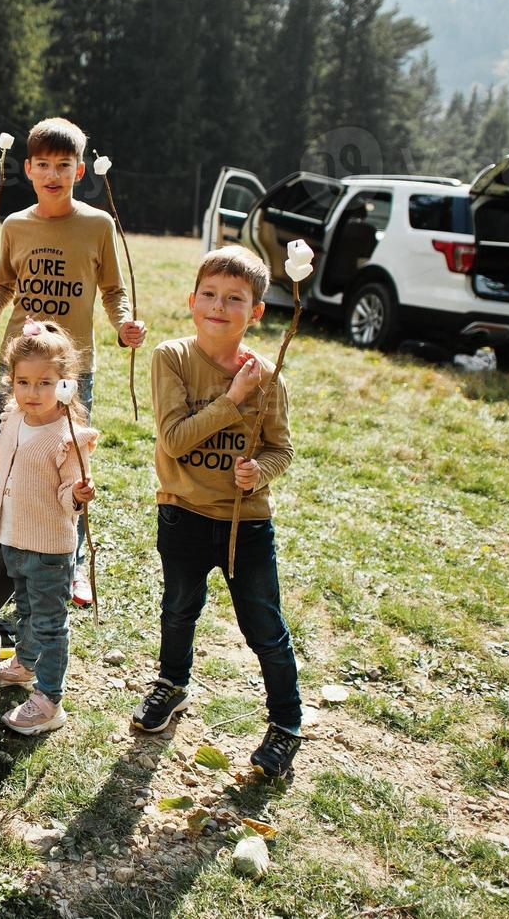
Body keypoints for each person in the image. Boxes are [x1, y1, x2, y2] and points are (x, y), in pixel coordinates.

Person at [133, 245, 304, 781]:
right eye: (208, 294)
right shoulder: (172, 358)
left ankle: (286, 724)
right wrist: (232, 398)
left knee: (265, 627)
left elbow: (282, 448)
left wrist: (262, 472)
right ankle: (172, 684)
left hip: (245, 523)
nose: (218, 306)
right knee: (179, 608)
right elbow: (176, 439)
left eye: (234, 299)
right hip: (182, 511)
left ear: (255, 312)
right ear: (191, 300)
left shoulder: (268, 376)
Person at [0, 117, 145, 608]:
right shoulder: (16, 225)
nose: (52, 174)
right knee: (16, 456)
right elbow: (2, 284)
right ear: (27, 168)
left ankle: (71, 562)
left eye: (63, 165)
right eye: (42, 164)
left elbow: (113, 290)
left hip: (70, 373)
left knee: (69, 465)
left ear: (79, 171)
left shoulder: (98, 226)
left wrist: (124, 324)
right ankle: (10, 539)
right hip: (19, 369)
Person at [0, 320, 97, 735]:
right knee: (25, 607)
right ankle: (25, 664)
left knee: (50, 621)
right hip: (14, 537)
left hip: (50, 547)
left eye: (44, 383)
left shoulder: (68, 437)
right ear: (11, 381)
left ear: (66, 384)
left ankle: (50, 700)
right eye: (23, 381)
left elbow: (68, 496)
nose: (32, 392)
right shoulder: (15, 419)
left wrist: (78, 493)